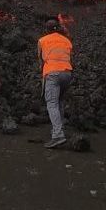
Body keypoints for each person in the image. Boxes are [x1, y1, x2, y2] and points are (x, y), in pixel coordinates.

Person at [38, 19, 72, 148]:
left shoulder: (42, 40)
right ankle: (59, 129)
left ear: (46, 29)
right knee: (59, 101)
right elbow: (69, 56)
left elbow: (40, 61)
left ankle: (58, 135)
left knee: (51, 103)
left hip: (52, 74)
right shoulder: (67, 41)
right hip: (67, 73)